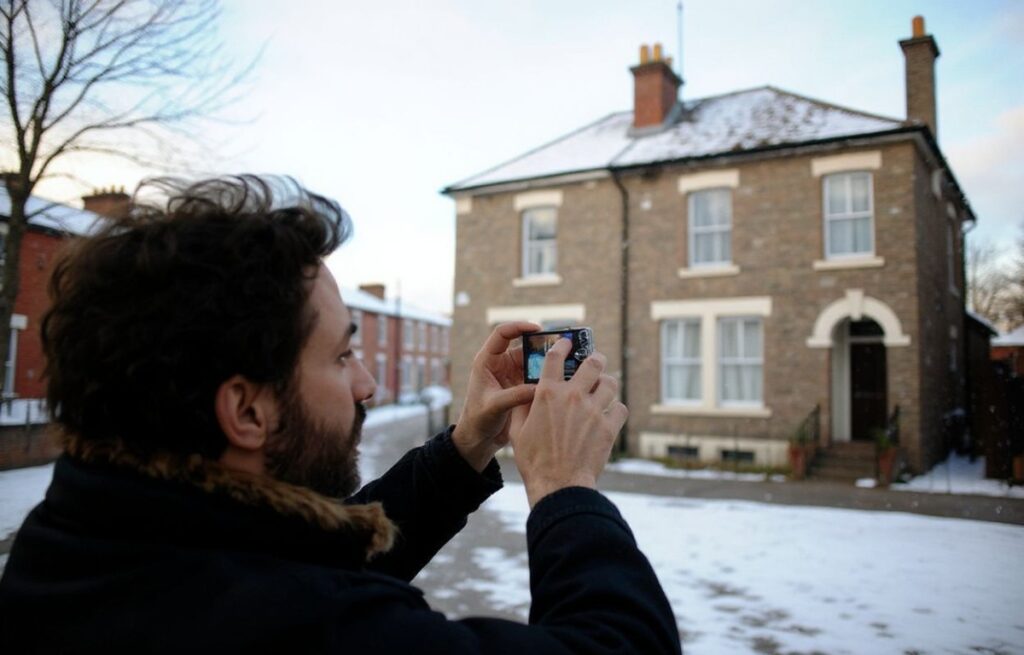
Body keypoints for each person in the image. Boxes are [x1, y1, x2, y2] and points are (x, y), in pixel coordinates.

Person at [0, 176, 680, 654]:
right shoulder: (309, 626)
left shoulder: (81, 534)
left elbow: (307, 554)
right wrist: (565, 491)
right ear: (246, 408)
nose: (367, 383)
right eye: (342, 353)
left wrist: (467, 444)